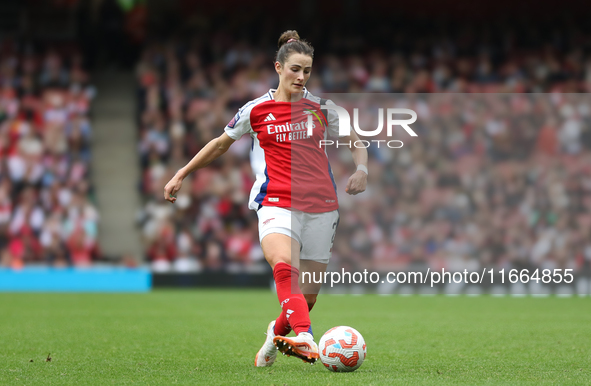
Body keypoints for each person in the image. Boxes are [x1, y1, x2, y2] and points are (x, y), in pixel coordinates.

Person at [163, 30, 368, 366]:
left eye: (307, 71)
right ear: (278, 67)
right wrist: (181, 173)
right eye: (295, 69)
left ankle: (276, 334)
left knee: (306, 298)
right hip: (276, 201)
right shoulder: (255, 110)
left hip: (321, 209)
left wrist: (362, 170)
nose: (301, 77)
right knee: (284, 267)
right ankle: (304, 336)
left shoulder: (321, 108)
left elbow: (355, 140)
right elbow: (219, 144)